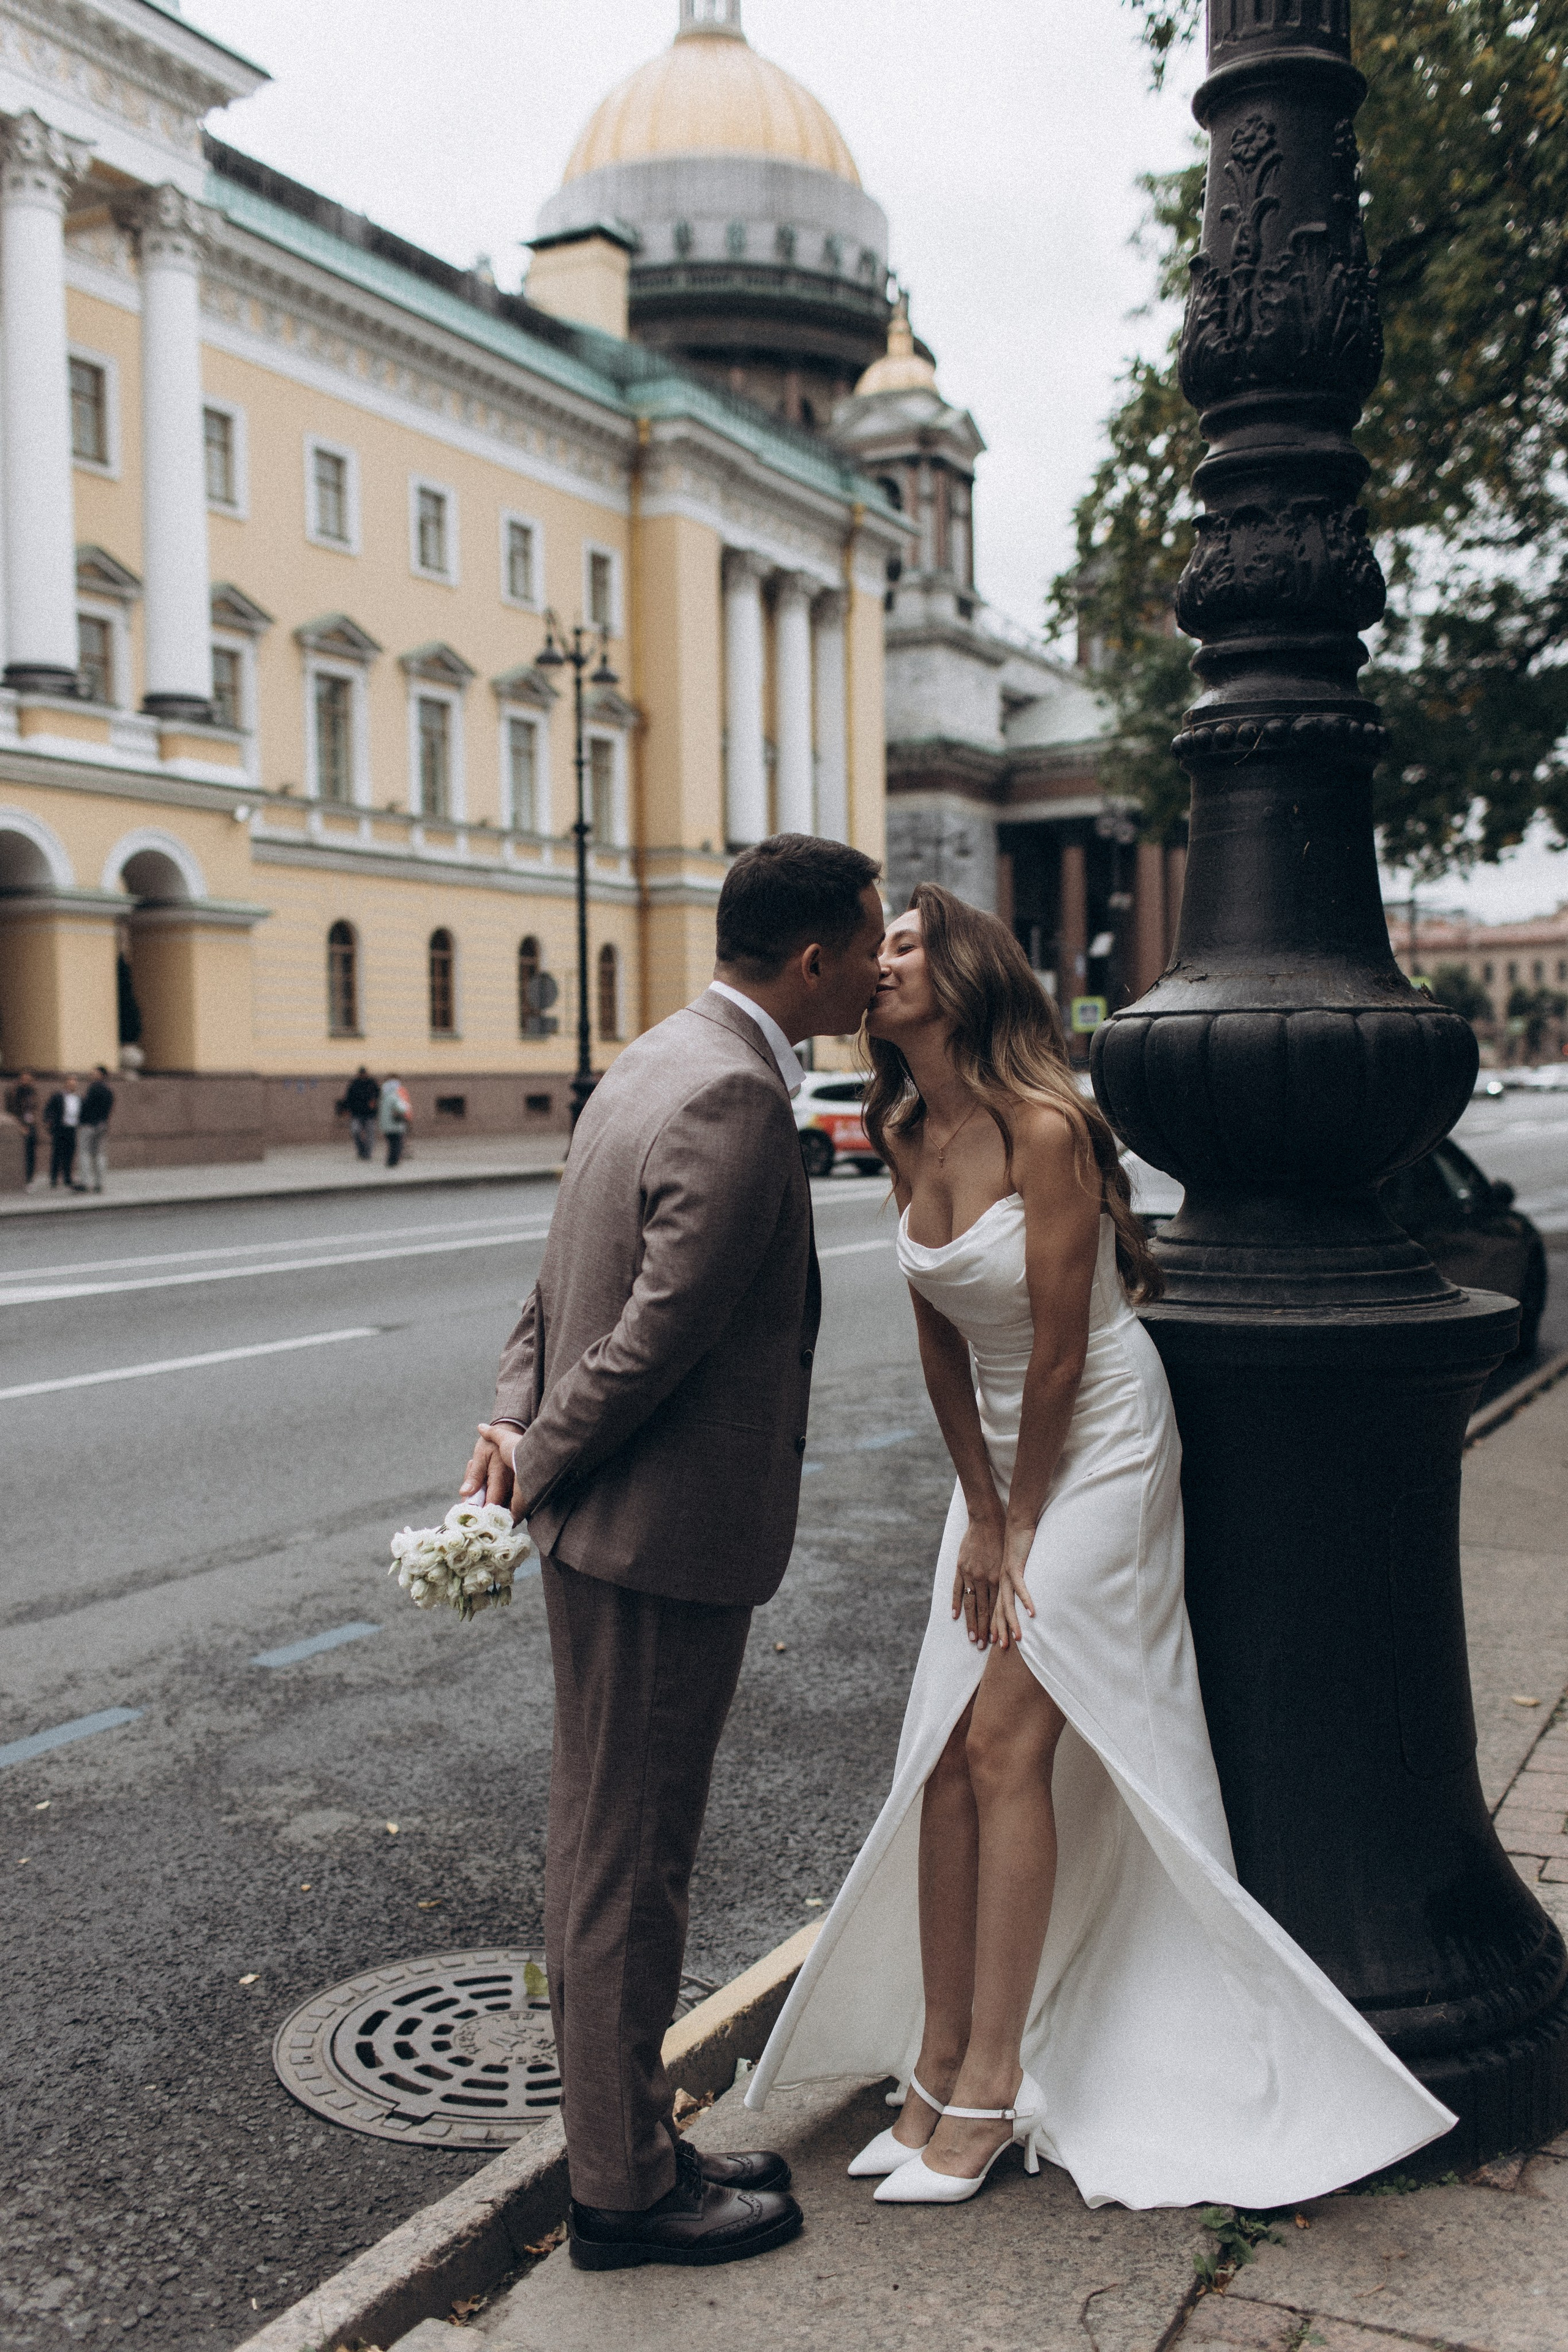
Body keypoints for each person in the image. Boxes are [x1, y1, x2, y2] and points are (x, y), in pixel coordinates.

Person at [745, 883, 1454, 2210]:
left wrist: (1020, 1522)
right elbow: (938, 1338)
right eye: (875, 949)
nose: (876, 965)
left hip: (1099, 1449)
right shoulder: (904, 1127)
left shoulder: (1044, 1127)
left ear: (959, 974)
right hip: (998, 1469)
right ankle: (931, 2064)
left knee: (1007, 1743)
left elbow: (1065, 1348)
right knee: (944, 1766)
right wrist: (973, 1506)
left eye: (901, 945)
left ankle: (989, 2092)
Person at [461, 834, 885, 2271]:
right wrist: (538, 1451)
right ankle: (626, 2191)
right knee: (629, 1865)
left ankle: (630, 2136)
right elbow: (653, 1333)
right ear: (812, 960)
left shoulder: (650, 1055)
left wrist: (513, 1418)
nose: (879, 961)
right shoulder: (736, 1092)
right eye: (866, 940)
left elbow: (550, 1286)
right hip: (655, 1536)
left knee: (606, 1847)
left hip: (606, 1530)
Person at [78, 1066, 115, 1194]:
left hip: (89, 1125)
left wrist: (82, 1120)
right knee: (99, 1154)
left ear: (101, 1075)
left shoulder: (93, 1088)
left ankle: (85, 1182)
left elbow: (86, 1107)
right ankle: (99, 1183)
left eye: (94, 1073)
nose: (91, 1074)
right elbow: (109, 1109)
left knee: (85, 1153)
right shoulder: (109, 1090)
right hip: (102, 1125)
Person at [43, 1074, 81, 1190]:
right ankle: (54, 1178)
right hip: (60, 1128)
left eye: (74, 1084)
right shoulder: (58, 1096)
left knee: (69, 1154)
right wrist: (49, 1122)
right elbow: (48, 1109)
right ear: (65, 1085)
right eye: (70, 1084)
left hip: (72, 1128)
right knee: (57, 1153)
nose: (72, 1086)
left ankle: (67, 1177)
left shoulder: (78, 1098)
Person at [339, 1066, 380, 1161]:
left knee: (370, 1134)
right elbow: (348, 1098)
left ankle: (367, 1153)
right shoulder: (354, 1084)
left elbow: (378, 1094)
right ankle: (361, 1149)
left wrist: (374, 1102)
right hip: (356, 1114)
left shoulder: (372, 1083)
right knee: (355, 1131)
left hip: (370, 1114)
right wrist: (346, 1109)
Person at [6, 1070, 38, 1187]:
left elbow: (33, 1109)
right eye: (24, 1079)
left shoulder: (32, 1092)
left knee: (31, 1153)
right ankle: (21, 1179)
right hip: (20, 1126)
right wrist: (20, 1126)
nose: (27, 1081)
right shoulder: (14, 1092)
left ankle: (30, 1178)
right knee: (21, 1153)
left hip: (31, 1125)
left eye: (29, 1079)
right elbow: (11, 1111)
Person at [377, 1072, 412, 1167]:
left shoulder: (383, 1098)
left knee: (391, 1144)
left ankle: (390, 1161)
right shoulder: (394, 1097)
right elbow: (402, 1108)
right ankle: (394, 1161)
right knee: (396, 1144)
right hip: (395, 1125)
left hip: (386, 1126)